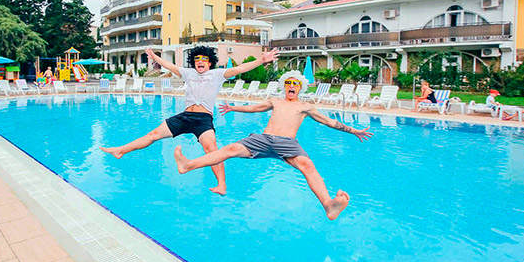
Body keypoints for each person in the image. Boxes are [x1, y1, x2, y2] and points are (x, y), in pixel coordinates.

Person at [173, 70, 373, 220]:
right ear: (284, 86)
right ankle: (188, 165)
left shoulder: (305, 106)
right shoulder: (275, 101)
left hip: (287, 144)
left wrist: (353, 131)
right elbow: (255, 108)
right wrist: (234, 108)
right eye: (288, 83)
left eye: (295, 83)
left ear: (300, 87)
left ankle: (329, 205)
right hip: (264, 139)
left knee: (308, 166)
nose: (291, 86)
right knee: (230, 149)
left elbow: (329, 122)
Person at [101, 46, 279, 196]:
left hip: (203, 119)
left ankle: (221, 185)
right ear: (193, 62)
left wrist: (262, 60)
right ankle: (120, 150)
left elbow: (240, 69)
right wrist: (154, 57)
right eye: (196, 60)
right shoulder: (188, 73)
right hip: (185, 116)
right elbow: (169, 65)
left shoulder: (218, 74)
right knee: (153, 134)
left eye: (203, 60)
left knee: (212, 149)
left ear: (210, 62)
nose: (200, 62)